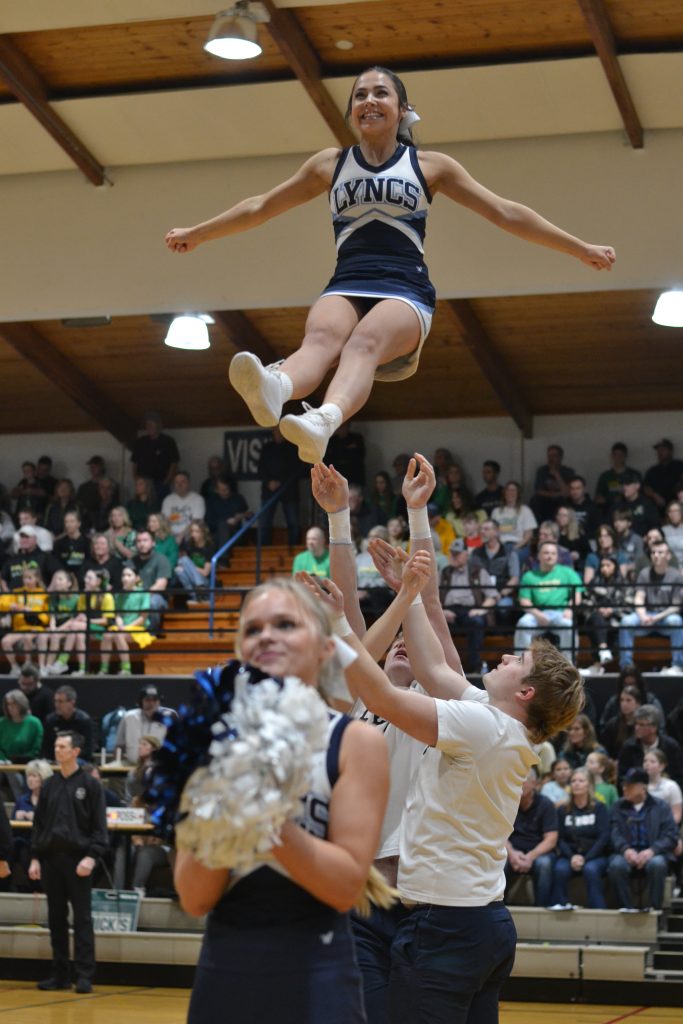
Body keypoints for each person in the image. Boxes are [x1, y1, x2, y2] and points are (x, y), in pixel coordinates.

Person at [166, 66, 614, 465]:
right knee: (320, 338)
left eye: (380, 94)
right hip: (347, 280)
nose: (369, 102)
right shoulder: (331, 164)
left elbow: (506, 212)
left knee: (362, 342)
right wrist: (199, 232)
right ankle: (275, 388)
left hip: (406, 289)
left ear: (402, 110)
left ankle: (324, 421)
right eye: (360, 95)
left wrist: (578, 248)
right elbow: (261, 206)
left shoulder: (429, 165)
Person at [306, 452, 584, 1022]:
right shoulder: (366, 696)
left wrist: (412, 590)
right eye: (396, 643)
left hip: (432, 906)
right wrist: (348, 520)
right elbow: (354, 625)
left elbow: (426, 616)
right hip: (376, 900)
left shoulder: (458, 710)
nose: (409, 644)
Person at [170, 579, 389, 1024]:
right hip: (225, 970)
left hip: (317, 973)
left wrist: (261, 811)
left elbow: (346, 886)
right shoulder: (210, 742)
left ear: (325, 648)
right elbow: (193, 898)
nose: (266, 636)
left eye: (286, 624)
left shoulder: (353, 741)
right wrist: (220, 792)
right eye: (253, 630)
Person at [29, 730, 108, 992]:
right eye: (56, 746)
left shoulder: (90, 785)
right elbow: (38, 826)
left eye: (63, 746)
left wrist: (91, 857)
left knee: (82, 919)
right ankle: (60, 974)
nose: (57, 750)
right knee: (56, 918)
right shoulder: (49, 785)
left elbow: (100, 829)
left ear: (75, 751)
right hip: (51, 860)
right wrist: (35, 858)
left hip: (79, 861)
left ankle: (84, 975)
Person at [607, 766, 678, 912]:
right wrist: (625, 850)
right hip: (625, 852)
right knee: (616, 865)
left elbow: (671, 835)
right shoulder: (617, 807)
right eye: (624, 785)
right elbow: (613, 833)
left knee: (657, 864)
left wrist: (652, 851)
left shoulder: (661, 806)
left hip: (653, 853)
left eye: (629, 786)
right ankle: (625, 908)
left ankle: (655, 910)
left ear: (642, 788)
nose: (625, 789)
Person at [618, 541, 683, 673]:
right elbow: (639, 598)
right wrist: (643, 615)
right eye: (653, 552)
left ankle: (677, 665)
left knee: (676, 621)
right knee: (626, 622)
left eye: (660, 552)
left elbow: (676, 606)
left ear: (668, 556)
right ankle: (626, 666)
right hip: (646, 616)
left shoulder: (675, 575)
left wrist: (657, 617)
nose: (656, 555)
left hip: (664, 617)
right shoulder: (644, 573)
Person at [549, 767, 610, 910]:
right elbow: (560, 838)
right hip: (569, 855)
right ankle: (560, 908)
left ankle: (598, 911)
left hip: (595, 856)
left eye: (581, 781)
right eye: (573, 781)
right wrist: (572, 857)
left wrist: (586, 858)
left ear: (589, 785)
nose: (576, 784)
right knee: (560, 869)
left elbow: (603, 837)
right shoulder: (562, 810)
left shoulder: (600, 808)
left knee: (591, 869)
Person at [513, 540, 583, 660]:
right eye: (546, 553)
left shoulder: (568, 573)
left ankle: (570, 663)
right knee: (523, 624)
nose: (550, 556)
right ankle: (520, 662)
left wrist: (569, 609)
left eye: (553, 553)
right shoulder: (529, 576)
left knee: (568, 625)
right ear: (539, 555)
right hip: (536, 613)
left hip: (560, 613)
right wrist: (537, 614)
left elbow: (577, 596)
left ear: (557, 556)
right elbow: (524, 600)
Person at [504, 769, 559, 907]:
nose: (520, 784)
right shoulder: (506, 802)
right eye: (516, 780)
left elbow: (551, 839)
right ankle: (497, 908)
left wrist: (531, 856)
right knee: (498, 862)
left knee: (544, 864)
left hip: (539, 852)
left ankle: (541, 910)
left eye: (524, 781)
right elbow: (499, 835)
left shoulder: (546, 804)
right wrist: (512, 854)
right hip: (512, 851)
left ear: (534, 784)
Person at [99, 566, 154, 676]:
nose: (125, 578)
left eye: (129, 575)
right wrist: (120, 623)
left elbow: (142, 618)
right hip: (122, 628)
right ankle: (104, 668)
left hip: (137, 628)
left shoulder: (144, 593)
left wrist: (126, 627)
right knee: (106, 635)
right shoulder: (119, 595)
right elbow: (118, 614)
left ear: (137, 578)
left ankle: (126, 668)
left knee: (118, 635)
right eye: (123, 575)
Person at [617, 705, 683, 789]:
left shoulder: (671, 747)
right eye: (636, 724)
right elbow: (622, 777)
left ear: (653, 728)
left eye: (641, 725)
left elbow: (679, 777)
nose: (637, 728)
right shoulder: (628, 748)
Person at [256, 427, 302, 547]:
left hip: (289, 490)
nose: (277, 434)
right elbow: (261, 468)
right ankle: (265, 551)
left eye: (280, 431)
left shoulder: (293, 448)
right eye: (275, 431)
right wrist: (268, 482)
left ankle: (294, 549)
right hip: (269, 490)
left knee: (293, 523)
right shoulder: (267, 448)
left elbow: (298, 469)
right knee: (264, 522)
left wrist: (281, 482)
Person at [0, 566, 49, 673]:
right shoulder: (17, 592)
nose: (26, 581)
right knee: (5, 641)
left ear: (37, 579)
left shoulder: (43, 594)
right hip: (20, 627)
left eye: (30, 578)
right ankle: (14, 667)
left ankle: (28, 665)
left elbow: (47, 616)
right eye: (25, 578)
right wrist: (10, 605)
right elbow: (1, 602)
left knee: (27, 637)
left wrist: (34, 614)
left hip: (35, 627)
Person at [114, 685, 174, 764]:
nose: (151, 703)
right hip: (132, 767)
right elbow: (119, 746)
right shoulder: (129, 717)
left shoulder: (168, 719)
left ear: (160, 702)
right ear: (141, 702)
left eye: (155, 700)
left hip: (158, 768)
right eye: (148, 700)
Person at [130, 411, 180, 498]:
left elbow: (174, 463)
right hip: (143, 484)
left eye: (151, 423)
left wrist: (167, 481)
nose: (149, 426)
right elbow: (135, 462)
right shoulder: (140, 442)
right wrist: (136, 478)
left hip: (160, 484)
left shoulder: (168, 441)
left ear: (159, 425)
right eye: (147, 424)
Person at [42, 685, 94, 762]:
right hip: (55, 759)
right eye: (55, 701)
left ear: (72, 702)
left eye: (60, 701)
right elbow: (46, 747)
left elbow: (87, 749)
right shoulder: (50, 720)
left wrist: (68, 757)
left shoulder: (84, 720)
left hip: (77, 759)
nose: (57, 705)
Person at [491, 480, 537, 564]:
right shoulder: (496, 511)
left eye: (513, 490)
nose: (510, 493)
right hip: (500, 545)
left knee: (513, 557)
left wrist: (515, 547)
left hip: (519, 546)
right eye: (508, 490)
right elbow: (493, 532)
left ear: (518, 493)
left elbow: (528, 535)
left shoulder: (525, 510)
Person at [530, 445, 575, 523]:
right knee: (535, 500)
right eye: (549, 456)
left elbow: (567, 492)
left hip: (561, 500)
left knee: (565, 502)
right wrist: (553, 495)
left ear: (560, 457)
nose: (551, 459)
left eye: (554, 456)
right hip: (545, 499)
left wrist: (556, 474)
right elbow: (538, 490)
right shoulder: (542, 470)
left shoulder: (568, 471)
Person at [174, 519, 215, 599]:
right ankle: (195, 596)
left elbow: (206, 573)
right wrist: (188, 567)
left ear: (203, 532)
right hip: (192, 579)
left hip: (204, 581)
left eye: (197, 532)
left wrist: (190, 567)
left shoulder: (209, 546)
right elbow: (183, 566)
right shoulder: (189, 545)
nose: (193, 534)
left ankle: (200, 587)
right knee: (178, 570)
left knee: (184, 560)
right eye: (192, 531)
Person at [594, 442, 641, 512]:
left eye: (621, 455)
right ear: (612, 456)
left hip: (631, 510)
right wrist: (610, 500)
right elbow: (598, 498)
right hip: (609, 511)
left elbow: (640, 496)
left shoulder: (634, 474)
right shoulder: (605, 476)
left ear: (625, 456)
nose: (618, 458)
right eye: (616, 455)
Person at [161, 471, 205, 543]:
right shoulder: (167, 499)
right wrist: (172, 536)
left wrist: (180, 536)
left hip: (191, 534)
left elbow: (196, 521)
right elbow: (165, 521)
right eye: (177, 482)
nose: (180, 484)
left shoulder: (198, 499)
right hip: (171, 534)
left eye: (183, 481)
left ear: (188, 483)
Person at [0, 689, 44, 762]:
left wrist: (19, 760)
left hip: (29, 764)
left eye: (14, 704)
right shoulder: (1, 723)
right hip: (4, 765)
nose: (10, 707)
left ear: (21, 704)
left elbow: (37, 748)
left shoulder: (34, 723)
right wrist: (4, 760)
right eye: (8, 704)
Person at [643, 439, 683, 511]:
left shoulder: (679, 466)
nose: (660, 452)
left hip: (678, 507)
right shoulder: (652, 471)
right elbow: (646, 488)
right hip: (658, 508)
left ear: (670, 451)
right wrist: (655, 495)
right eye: (658, 450)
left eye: (663, 450)